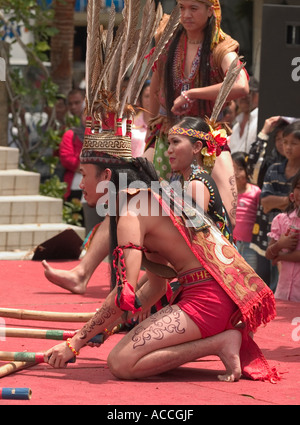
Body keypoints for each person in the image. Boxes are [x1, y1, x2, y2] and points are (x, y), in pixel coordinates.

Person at [44, 120, 278, 383]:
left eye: (85, 174)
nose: (82, 182)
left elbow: (125, 293)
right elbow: (155, 286)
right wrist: (107, 327)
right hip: (210, 294)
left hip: (209, 299)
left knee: (120, 363)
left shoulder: (133, 211)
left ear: (106, 176)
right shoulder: (143, 200)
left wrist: (74, 343)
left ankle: (220, 342)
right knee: (123, 356)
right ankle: (221, 339)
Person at [144, 0, 249, 227]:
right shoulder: (167, 37)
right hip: (166, 133)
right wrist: (148, 131)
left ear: (211, 10)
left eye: (194, 8)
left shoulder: (220, 46)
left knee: (229, 214)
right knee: (133, 196)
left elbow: (241, 85)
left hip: (207, 137)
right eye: (181, 8)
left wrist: (193, 93)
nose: (186, 14)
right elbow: (155, 88)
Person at [167, 116, 233, 241]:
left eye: (176, 142)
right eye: (168, 143)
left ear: (196, 147)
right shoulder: (190, 180)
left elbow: (195, 237)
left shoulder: (196, 184)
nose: (169, 150)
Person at [258, 120, 300, 291]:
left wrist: (282, 256)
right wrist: (290, 201)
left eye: (294, 143)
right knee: (273, 286)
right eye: (285, 142)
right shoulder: (273, 169)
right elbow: (265, 203)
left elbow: (270, 201)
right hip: (274, 232)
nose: (288, 147)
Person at [265, 171, 300, 302]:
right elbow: (269, 254)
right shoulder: (280, 220)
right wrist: (280, 244)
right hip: (282, 293)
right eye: (298, 188)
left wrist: (280, 256)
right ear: (292, 194)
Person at [231, 152, 260, 270]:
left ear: (248, 171)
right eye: (232, 168)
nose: (236, 173)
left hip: (250, 245)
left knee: (250, 276)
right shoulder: (228, 192)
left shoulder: (256, 192)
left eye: (240, 169)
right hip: (231, 244)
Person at [228, 76, 259, 155]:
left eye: (249, 92)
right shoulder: (236, 126)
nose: (244, 97)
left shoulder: (261, 121)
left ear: (258, 95)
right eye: (240, 93)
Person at [131, 81, 151, 157]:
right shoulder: (128, 125)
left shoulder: (164, 126)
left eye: (153, 95)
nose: (150, 99)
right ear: (140, 99)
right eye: (147, 96)